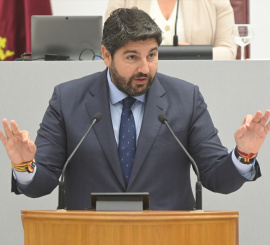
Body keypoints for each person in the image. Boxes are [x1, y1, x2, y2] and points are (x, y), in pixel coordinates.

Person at [0, 8, 269, 211]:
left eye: (151, 55)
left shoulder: (186, 99)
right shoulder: (67, 99)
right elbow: (42, 183)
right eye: (132, 57)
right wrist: (24, 165)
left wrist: (244, 154)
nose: (145, 68)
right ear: (106, 55)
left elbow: (215, 178)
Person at [105, 0, 237, 60]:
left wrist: (191, 53)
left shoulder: (217, 2)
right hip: (137, 80)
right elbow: (109, 43)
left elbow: (228, 51)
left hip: (198, 79)